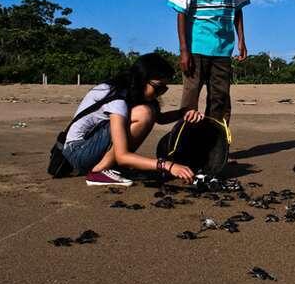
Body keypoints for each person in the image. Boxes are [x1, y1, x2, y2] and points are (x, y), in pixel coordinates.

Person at [62, 53, 204, 186]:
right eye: (158, 88)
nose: (159, 93)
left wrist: (184, 113)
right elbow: (122, 155)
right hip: (78, 152)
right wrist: (167, 165)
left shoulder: (132, 92)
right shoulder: (117, 97)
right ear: (142, 79)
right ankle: (99, 171)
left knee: (148, 112)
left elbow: (159, 118)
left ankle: (110, 166)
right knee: (144, 113)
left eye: (164, 89)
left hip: (89, 147)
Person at [168, 0, 250, 123]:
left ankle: (216, 148)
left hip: (223, 48)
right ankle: (186, 146)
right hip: (196, 46)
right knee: (190, 99)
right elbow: (181, 12)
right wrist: (184, 51)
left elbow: (237, 8)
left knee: (219, 100)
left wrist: (242, 41)